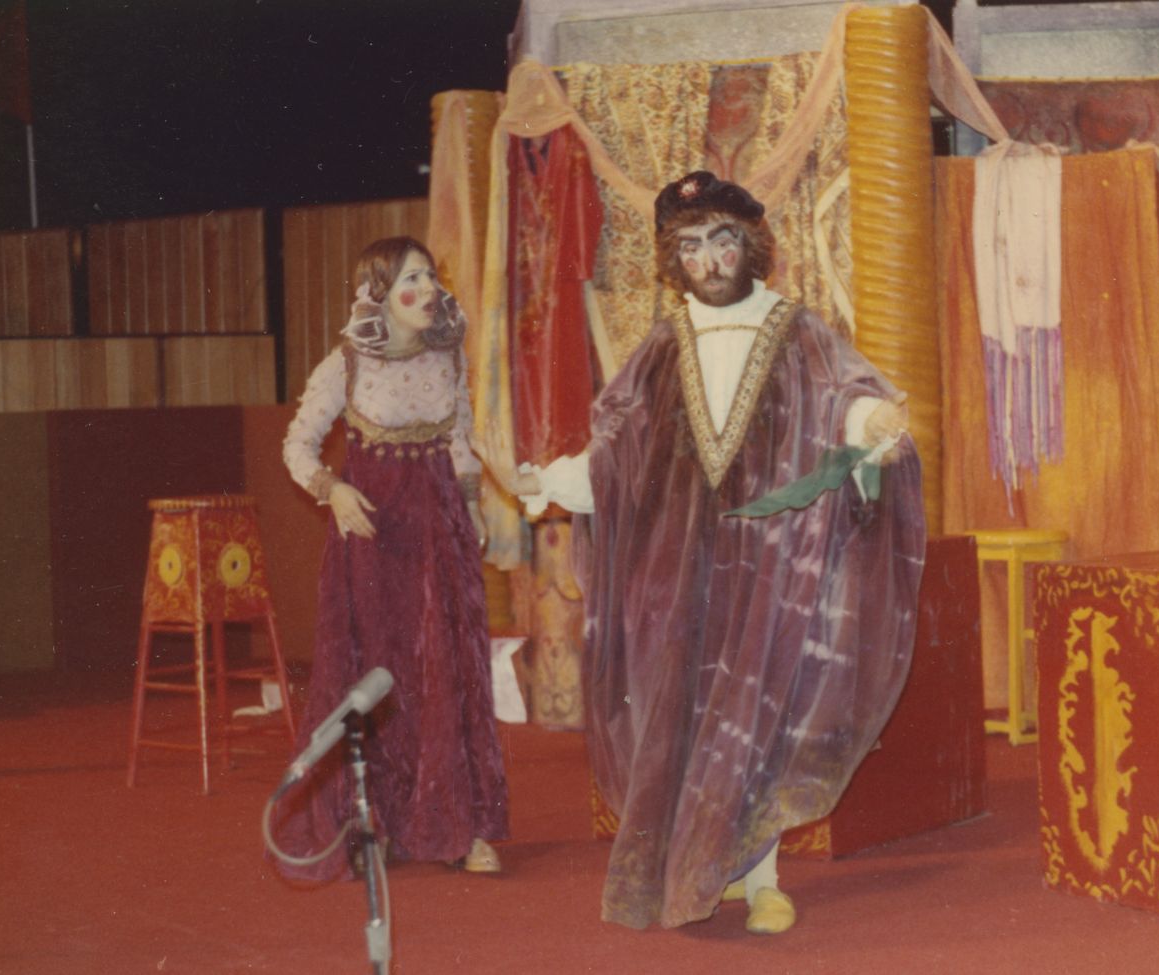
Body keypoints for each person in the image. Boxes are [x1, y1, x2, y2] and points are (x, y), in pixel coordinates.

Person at [515, 172, 925, 933]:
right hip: (675, 566)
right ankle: (702, 865)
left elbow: (843, 395)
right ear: (674, 259)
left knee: (753, 713)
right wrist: (554, 481)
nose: (709, 260)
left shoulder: (795, 329)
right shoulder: (662, 345)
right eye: (691, 247)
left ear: (751, 244)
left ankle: (762, 878)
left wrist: (870, 422)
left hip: (768, 561)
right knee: (682, 710)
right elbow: (618, 445)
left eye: (723, 240)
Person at [276, 236, 508, 881]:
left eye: (430, 276)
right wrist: (332, 489)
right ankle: (369, 820)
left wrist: (473, 507)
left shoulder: (447, 355)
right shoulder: (347, 364)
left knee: (446, 670)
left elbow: (460, 439)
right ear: (378, 294)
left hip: (439, 533)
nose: (427, 289)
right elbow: (298, 445)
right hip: (374, 539)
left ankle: (458, 827)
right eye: (411, 279)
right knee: (376, 672)